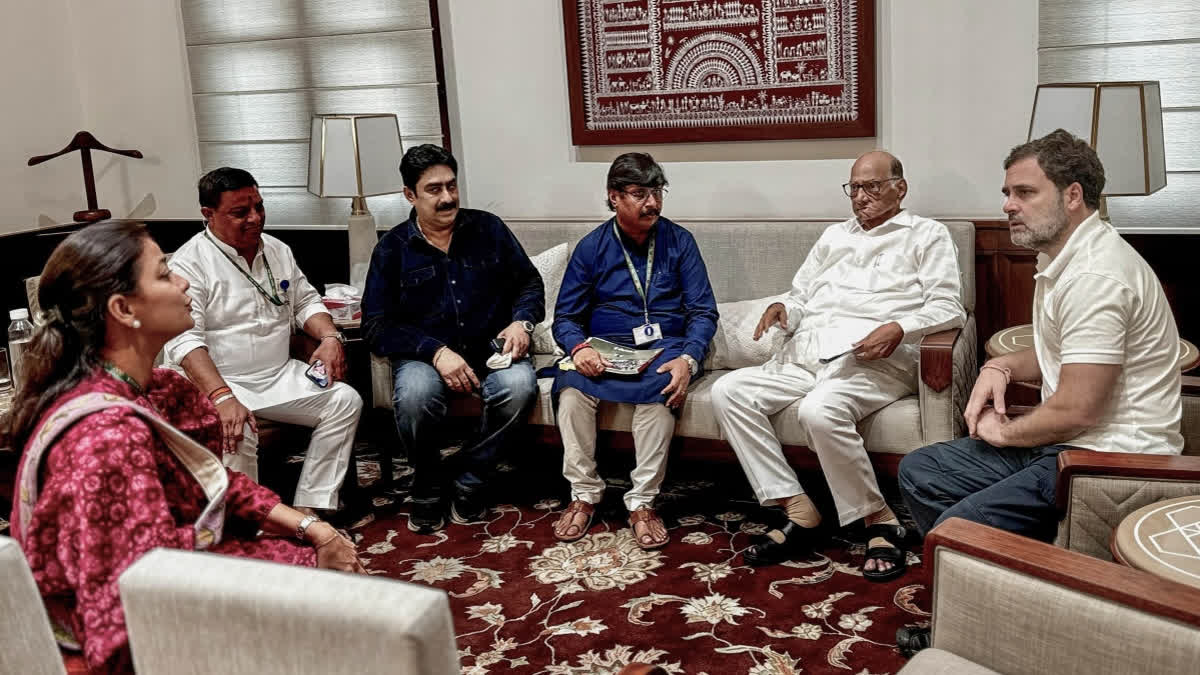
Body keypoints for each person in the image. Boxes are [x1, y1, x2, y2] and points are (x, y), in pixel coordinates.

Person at [6, 221, 364, 674]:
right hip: (135, 631)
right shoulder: (107, 436)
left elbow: (218, 484)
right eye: (163, 274)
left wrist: (313, 528)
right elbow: (127, 616)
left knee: (323, 555)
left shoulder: (154, 389)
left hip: (176, 574)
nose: (184, 281)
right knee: (335, 593)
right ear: (122, 308)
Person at [899, 129, 1183, 542]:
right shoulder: (1062, 256)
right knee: (921, 470)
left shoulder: (1095, 275)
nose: (1008, 205)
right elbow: (1058, 351)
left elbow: (1076, 410)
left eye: (1025, 192)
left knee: (954, 534)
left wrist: (1006, 432)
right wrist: (1001, 366)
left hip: (1107, 456)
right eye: (1007, 192)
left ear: (1072, 196)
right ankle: (1019, 553)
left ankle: (1002, 560)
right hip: (1066, 442)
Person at [710, 151, 965, 580]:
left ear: (899, 188)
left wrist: (899, 327)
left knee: (819, 410)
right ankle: (797, 506)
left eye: (872, 187)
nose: (860, 197)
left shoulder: (927, 235)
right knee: (728, 391)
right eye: (854, 188)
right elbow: (801, 295)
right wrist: (783, 307)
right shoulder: (833, 237)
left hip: (873, 360)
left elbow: (949, 307)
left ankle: (879, 519)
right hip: (807, 354)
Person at [362, 144, 543, 533]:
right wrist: (435, 351)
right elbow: (376, 325)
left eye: (451, 186)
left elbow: (529, 283)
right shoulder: (391, 249)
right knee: (414, 395)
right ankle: (427, 482)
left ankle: (470, 478)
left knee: (520, 385)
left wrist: (521, 323)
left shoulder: (488, 228)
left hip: (490, 348)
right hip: (424, 356)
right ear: (409, 195)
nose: (447, 198)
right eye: (433, 189)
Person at [164, 167, 363, 516]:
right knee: (238, 430)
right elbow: (184, 341)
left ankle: (310, 507)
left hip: (277, 375)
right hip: (222, 383)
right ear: (208, 215)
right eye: (240, 212)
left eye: (259, 206)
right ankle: (251, 522)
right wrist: (222, 397)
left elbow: (305, 302)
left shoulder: (277, 250)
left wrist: (329, 336)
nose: (255, 218)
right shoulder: (189, 262)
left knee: (344, 400)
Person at [551, 152, 718, 550]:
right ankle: (585, 493)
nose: (653, 203)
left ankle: (642, 502)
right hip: (605, 351)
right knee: (572, 391)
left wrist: (689, 357)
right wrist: (579, 349)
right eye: (640, 193)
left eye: (657, 191)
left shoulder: (679, 241)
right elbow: (565, 318)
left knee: (663, 390)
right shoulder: (592, 248)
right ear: (614, 197)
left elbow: (702, 310)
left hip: (663, 349)